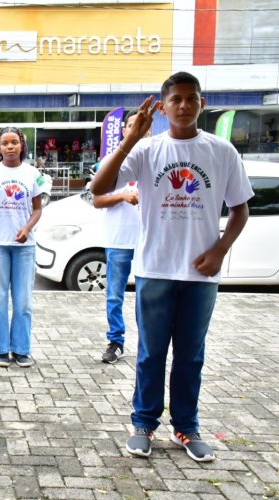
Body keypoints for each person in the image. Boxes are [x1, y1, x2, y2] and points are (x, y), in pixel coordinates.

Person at [90, 72, 253, 462]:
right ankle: (143, 424)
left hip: (200, 275)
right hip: (155, 270)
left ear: (201, 103)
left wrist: (220, 249)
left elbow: (240, 209)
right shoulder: (147, 152)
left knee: (191, 355)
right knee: (150, 353)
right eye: (175, 99)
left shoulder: (222, 151)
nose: (183, 105)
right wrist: (131, 138)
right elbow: (98, 188)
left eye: (190, 98)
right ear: (162, 108)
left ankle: (187, 426)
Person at [0, 128, 43, 368]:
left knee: (23, 302)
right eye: (5, 143)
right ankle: (1, 349)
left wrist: (27, 228)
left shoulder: (32, 173)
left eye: (15, 142)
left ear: (22, 145)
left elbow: (37, 209)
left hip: (24, 247)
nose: (10, 146)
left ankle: (21, 349)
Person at [92, 110, 149, 364]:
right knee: (114, 295)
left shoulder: (155, 159)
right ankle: (116, 341)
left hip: (149, 242)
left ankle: (149, 344)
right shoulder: (112, 161)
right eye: (131, 125)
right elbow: (97, 199)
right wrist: (122, 196)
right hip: (118, 242)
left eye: (143, 126)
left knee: (147, 298)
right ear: (124, 130)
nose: (137, 130)